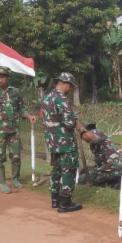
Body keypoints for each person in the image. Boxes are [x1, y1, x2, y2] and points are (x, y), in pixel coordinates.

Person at [0, 67, 37, 194]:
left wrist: (28, 115)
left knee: (16, 156)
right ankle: (3, 183)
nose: (0, 80)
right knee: (0, 157)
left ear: (7, 78)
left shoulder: (15, 92)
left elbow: (21, 108)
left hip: (13, 130)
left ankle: (15, 179)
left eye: (3, 77)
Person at [40, 72, 84, 212]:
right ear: (66, 84)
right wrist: (75, 120)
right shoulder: (62, 99)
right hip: (65, 142)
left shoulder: (46, 98)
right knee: (68, 170)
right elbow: (70, 123)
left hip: (52, 142)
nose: (70, 90)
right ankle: (65, 203)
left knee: (56, 170)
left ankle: (55, 199)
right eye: (70, 87)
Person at [77, 123, 122, 188]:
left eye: (82, 138)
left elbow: (97, 139)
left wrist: (82, 129)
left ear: (85, 134)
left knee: (82, 179)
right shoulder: (99, 136)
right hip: (115, 168)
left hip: (111, 168)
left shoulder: (95, 132)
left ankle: (83, 195)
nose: (83, 140)